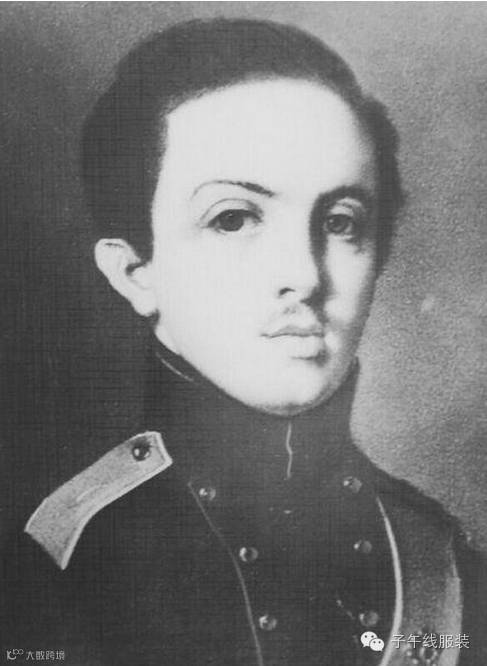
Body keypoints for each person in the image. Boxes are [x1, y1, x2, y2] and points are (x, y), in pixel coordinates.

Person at [2, 18, 486, 666]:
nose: (305, 276)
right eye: (232, 218)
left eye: (341, 222)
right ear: (136, 271)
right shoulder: (60, 560)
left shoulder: (445, 566)